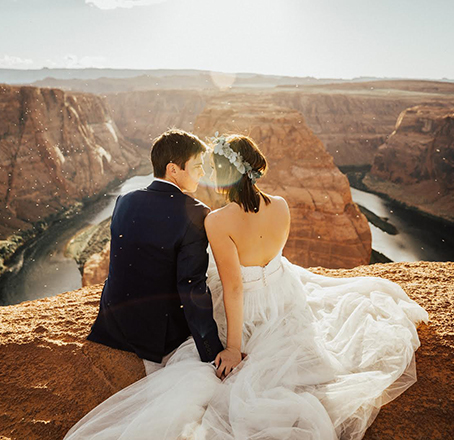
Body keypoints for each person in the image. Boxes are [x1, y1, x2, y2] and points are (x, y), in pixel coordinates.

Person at [66, 134, 429, 440]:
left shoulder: (189, 213)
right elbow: (270, 259)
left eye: (206, 169)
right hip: (283, 293)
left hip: (142, 314)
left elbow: (234, 287)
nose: (201, 174)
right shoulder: (282, 206)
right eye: (196, 168)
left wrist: (231, 348)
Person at [86, 129, 232, 375]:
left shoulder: (125, 200)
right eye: (197, 166)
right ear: (173, 169)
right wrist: (211, 350)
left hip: (112, 323)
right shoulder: (195, 212)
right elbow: (191, 286)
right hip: (155, 335)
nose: (202, 173)